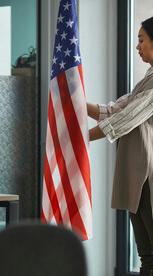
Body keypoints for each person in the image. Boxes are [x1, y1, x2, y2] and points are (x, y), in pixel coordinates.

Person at [87, 16, 153, 276]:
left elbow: (127, 118)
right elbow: (115, 110)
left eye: (141, 39)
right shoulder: (148, 77)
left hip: (148, 173)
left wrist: (82, 138)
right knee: (146, 253)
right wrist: (75, 103)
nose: (137, 46)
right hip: (136, 172)